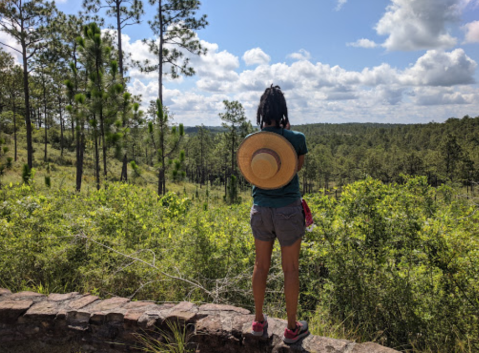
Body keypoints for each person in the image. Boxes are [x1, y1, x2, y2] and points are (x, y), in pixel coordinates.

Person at [246, 85, 309, 344]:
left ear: (261, 112)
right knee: (290, 269)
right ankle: (292, 329)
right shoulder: (296, 137)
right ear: (283, 111)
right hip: (288, 210)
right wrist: (286, 134)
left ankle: (258, 322)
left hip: (260, 209)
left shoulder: (253, 141)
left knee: (260, 266)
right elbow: (295, 168)